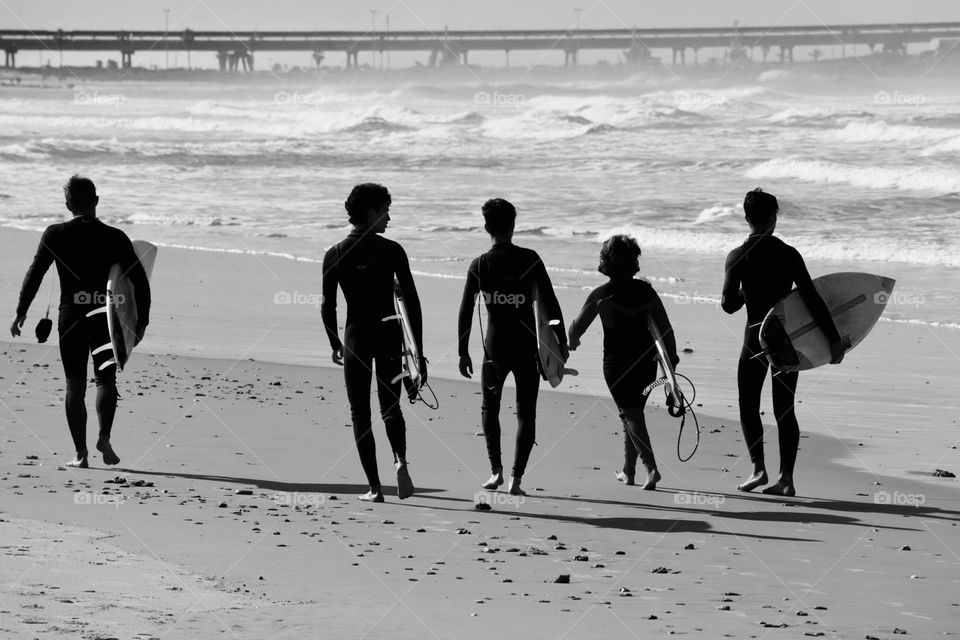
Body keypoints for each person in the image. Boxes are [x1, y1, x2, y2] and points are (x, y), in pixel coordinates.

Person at [10, 175, 150, 468]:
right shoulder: (115, 237)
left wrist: (21, 310)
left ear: (67, 204)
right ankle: (105, 437)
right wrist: (141, 322)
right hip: (105, 317)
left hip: (71, 317)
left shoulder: (55, 234)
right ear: (96, 201)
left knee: (75, 385)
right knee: (106, 379)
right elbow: (139, 281)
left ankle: (80, 453)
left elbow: (35, 273)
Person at [722, 188, 844, 497]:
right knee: (784, 409)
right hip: (785, 341)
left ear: (746, 217)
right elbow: (813, 300)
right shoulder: (789, 254)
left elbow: (728, 304)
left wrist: (745, 293)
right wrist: (834, 340)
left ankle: (758, 469)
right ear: (775, 218)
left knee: (748, 404)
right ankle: (786, 479)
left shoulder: (737, 256)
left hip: (754, 340)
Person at [321, 183, 425, 503]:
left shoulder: (335, 253)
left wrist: (334, 341)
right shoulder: (393, 251)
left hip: (355, 339)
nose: (389, 218)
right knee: (390, 407)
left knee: (360, 413)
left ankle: (375, 488)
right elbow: (411, 303)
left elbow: (328, 306)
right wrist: (418, 353)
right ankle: (400, 460)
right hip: (389, 337)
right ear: (370, 213)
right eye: (384, 210)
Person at [457, 198, 567, 496]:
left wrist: (462, 351)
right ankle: (516, 480)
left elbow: (466, 310)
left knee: (489, 408)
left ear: (486, 227)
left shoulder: (479, 264)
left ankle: (496, 472)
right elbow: (551, 304)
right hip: (526, 349)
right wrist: (561, 342)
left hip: (494, 349)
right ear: (513, 226)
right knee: (526, 413)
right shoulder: (530, 258)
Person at [567, 235, 677, 490]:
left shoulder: (600, 295)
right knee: (631, 412)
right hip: (646, 363)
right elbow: (666, 329)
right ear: (633, 261)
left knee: (630, 413)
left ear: (606, 262)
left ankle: (651, 469)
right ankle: (629, 471)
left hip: (616, 365)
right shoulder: (646, 292)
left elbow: (575, 330)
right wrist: (671, 362)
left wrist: (571, 343)